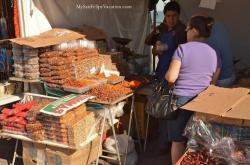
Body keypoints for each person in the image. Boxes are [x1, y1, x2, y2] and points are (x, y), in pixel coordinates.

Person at [165, 15, 221, 164]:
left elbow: (171, 77)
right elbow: (213, 82)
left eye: (188, 29)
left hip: (181, 102)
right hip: (202, 103)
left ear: (195, 30)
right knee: (197, 145)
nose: (186, 31)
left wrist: (168, 76)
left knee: (177, 141)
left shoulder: (182, 48)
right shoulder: (214, 52)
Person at [145, 1, 186, 154]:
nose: (171, 19)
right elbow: (154, 49)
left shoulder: (183, 30)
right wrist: (157, 50)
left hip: (176, 76)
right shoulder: (162, 29)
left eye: (174, 16)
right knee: (161, 109)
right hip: (162, 72)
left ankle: (172, 142)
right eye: (168, 16)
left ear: (179, 16)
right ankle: (164, 142)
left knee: (173, 111)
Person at [207, 19, 235, 87]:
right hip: (231, 74)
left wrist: (211, 87)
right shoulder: (220, 25)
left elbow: (217, 67)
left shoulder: (208, 39)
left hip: (221, 80)